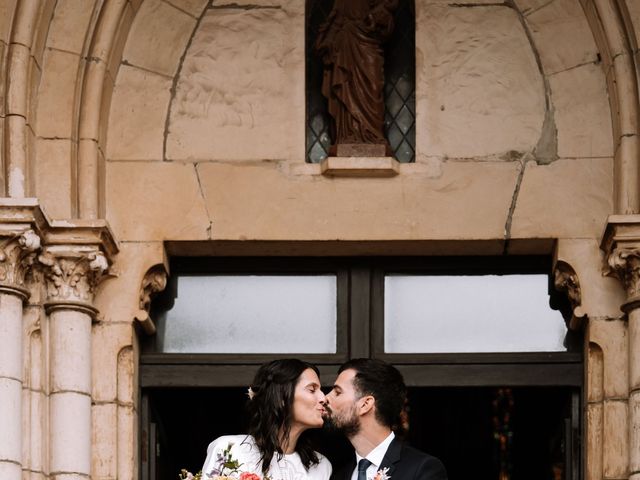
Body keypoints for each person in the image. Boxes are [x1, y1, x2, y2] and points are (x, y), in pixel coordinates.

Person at [202, 359, 332, 480]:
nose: (324, 398)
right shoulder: (229, 449)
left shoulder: (321, 466)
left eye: (320, 390)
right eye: (311, 389)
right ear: (281, 397)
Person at [323, 358, 447, 480]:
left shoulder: (421, 469)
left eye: (338, 392)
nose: (325, 398)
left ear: (365, 404)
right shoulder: (338, 474)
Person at [314, 0, 398, 152]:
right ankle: (347, 135)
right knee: (346, 87)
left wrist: (378, 19)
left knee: (372, 88)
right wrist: (327, 41)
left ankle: (372, 135)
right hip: (346, 46)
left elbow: (387, 22)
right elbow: (337, 20)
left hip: (368, 47)